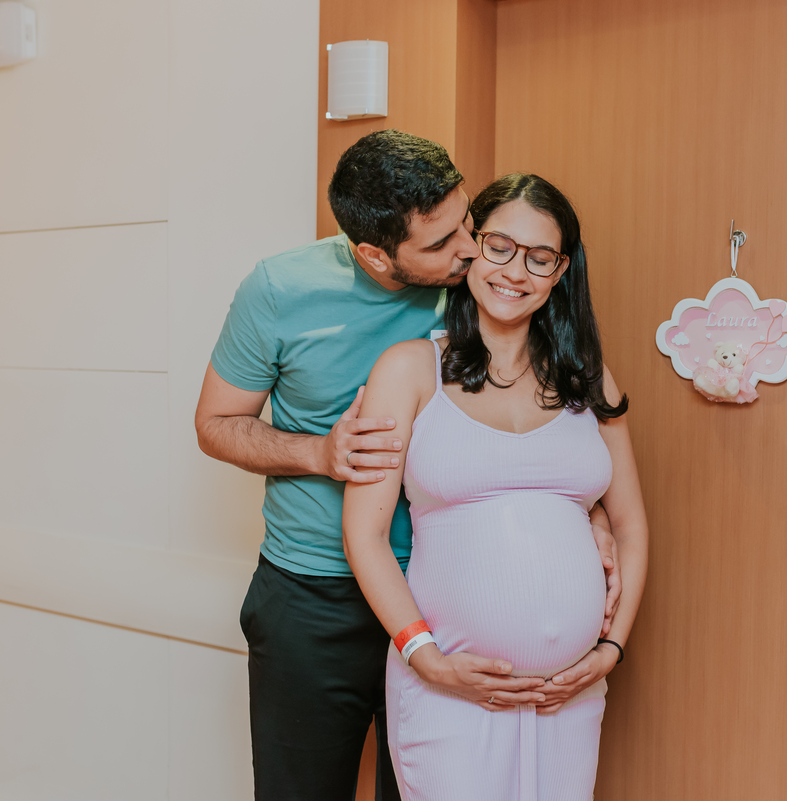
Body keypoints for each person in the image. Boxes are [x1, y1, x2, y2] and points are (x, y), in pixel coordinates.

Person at [194, 131, 622, 801]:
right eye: (444, 242)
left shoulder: (482, 282)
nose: (472, 249)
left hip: (444, 596)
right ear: (376, 254)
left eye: (467, 222)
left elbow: (531, 423)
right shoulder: (281, 289)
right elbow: (215, 425)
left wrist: (583, 512)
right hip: (318, 594)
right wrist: (318, 452)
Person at [343, 173, 649, 801]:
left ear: (561, 271)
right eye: (500, 246)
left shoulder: (589, 379)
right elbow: (365, 534)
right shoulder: (409, 370)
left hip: (569, 694)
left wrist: (612, 648)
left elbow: (630, 525)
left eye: (540, 257)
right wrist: (425, 657)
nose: (515, 271)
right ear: (471, 245)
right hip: (449, 688)